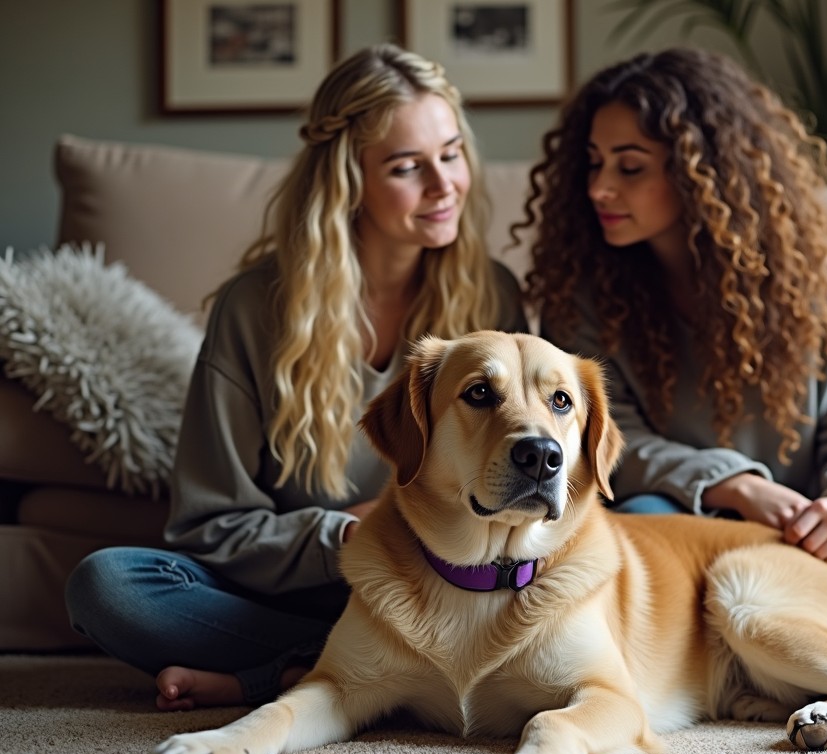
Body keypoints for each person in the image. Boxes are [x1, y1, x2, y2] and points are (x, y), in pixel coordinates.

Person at [520, 47, 827, 669]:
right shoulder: (586, 300)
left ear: (701, 171)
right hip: (701, 545)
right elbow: (604, 445)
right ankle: (803, 663)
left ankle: (819, 662)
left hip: (819, 545)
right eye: (594, 164)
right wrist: (734, 486)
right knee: (643, 519)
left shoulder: (809, 285)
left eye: (630, 167)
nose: (600, 188)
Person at [65, 42, 527, 711]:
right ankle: (336, 668)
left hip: (441, 585)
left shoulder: (494, 299)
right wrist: (345, 532)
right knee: (107, 586)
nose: (444, 185)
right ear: (348, 180)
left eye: (451, 154)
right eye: (406, 167)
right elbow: (208, 525)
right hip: (304, 585)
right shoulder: (254, 309)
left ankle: (282, 678)